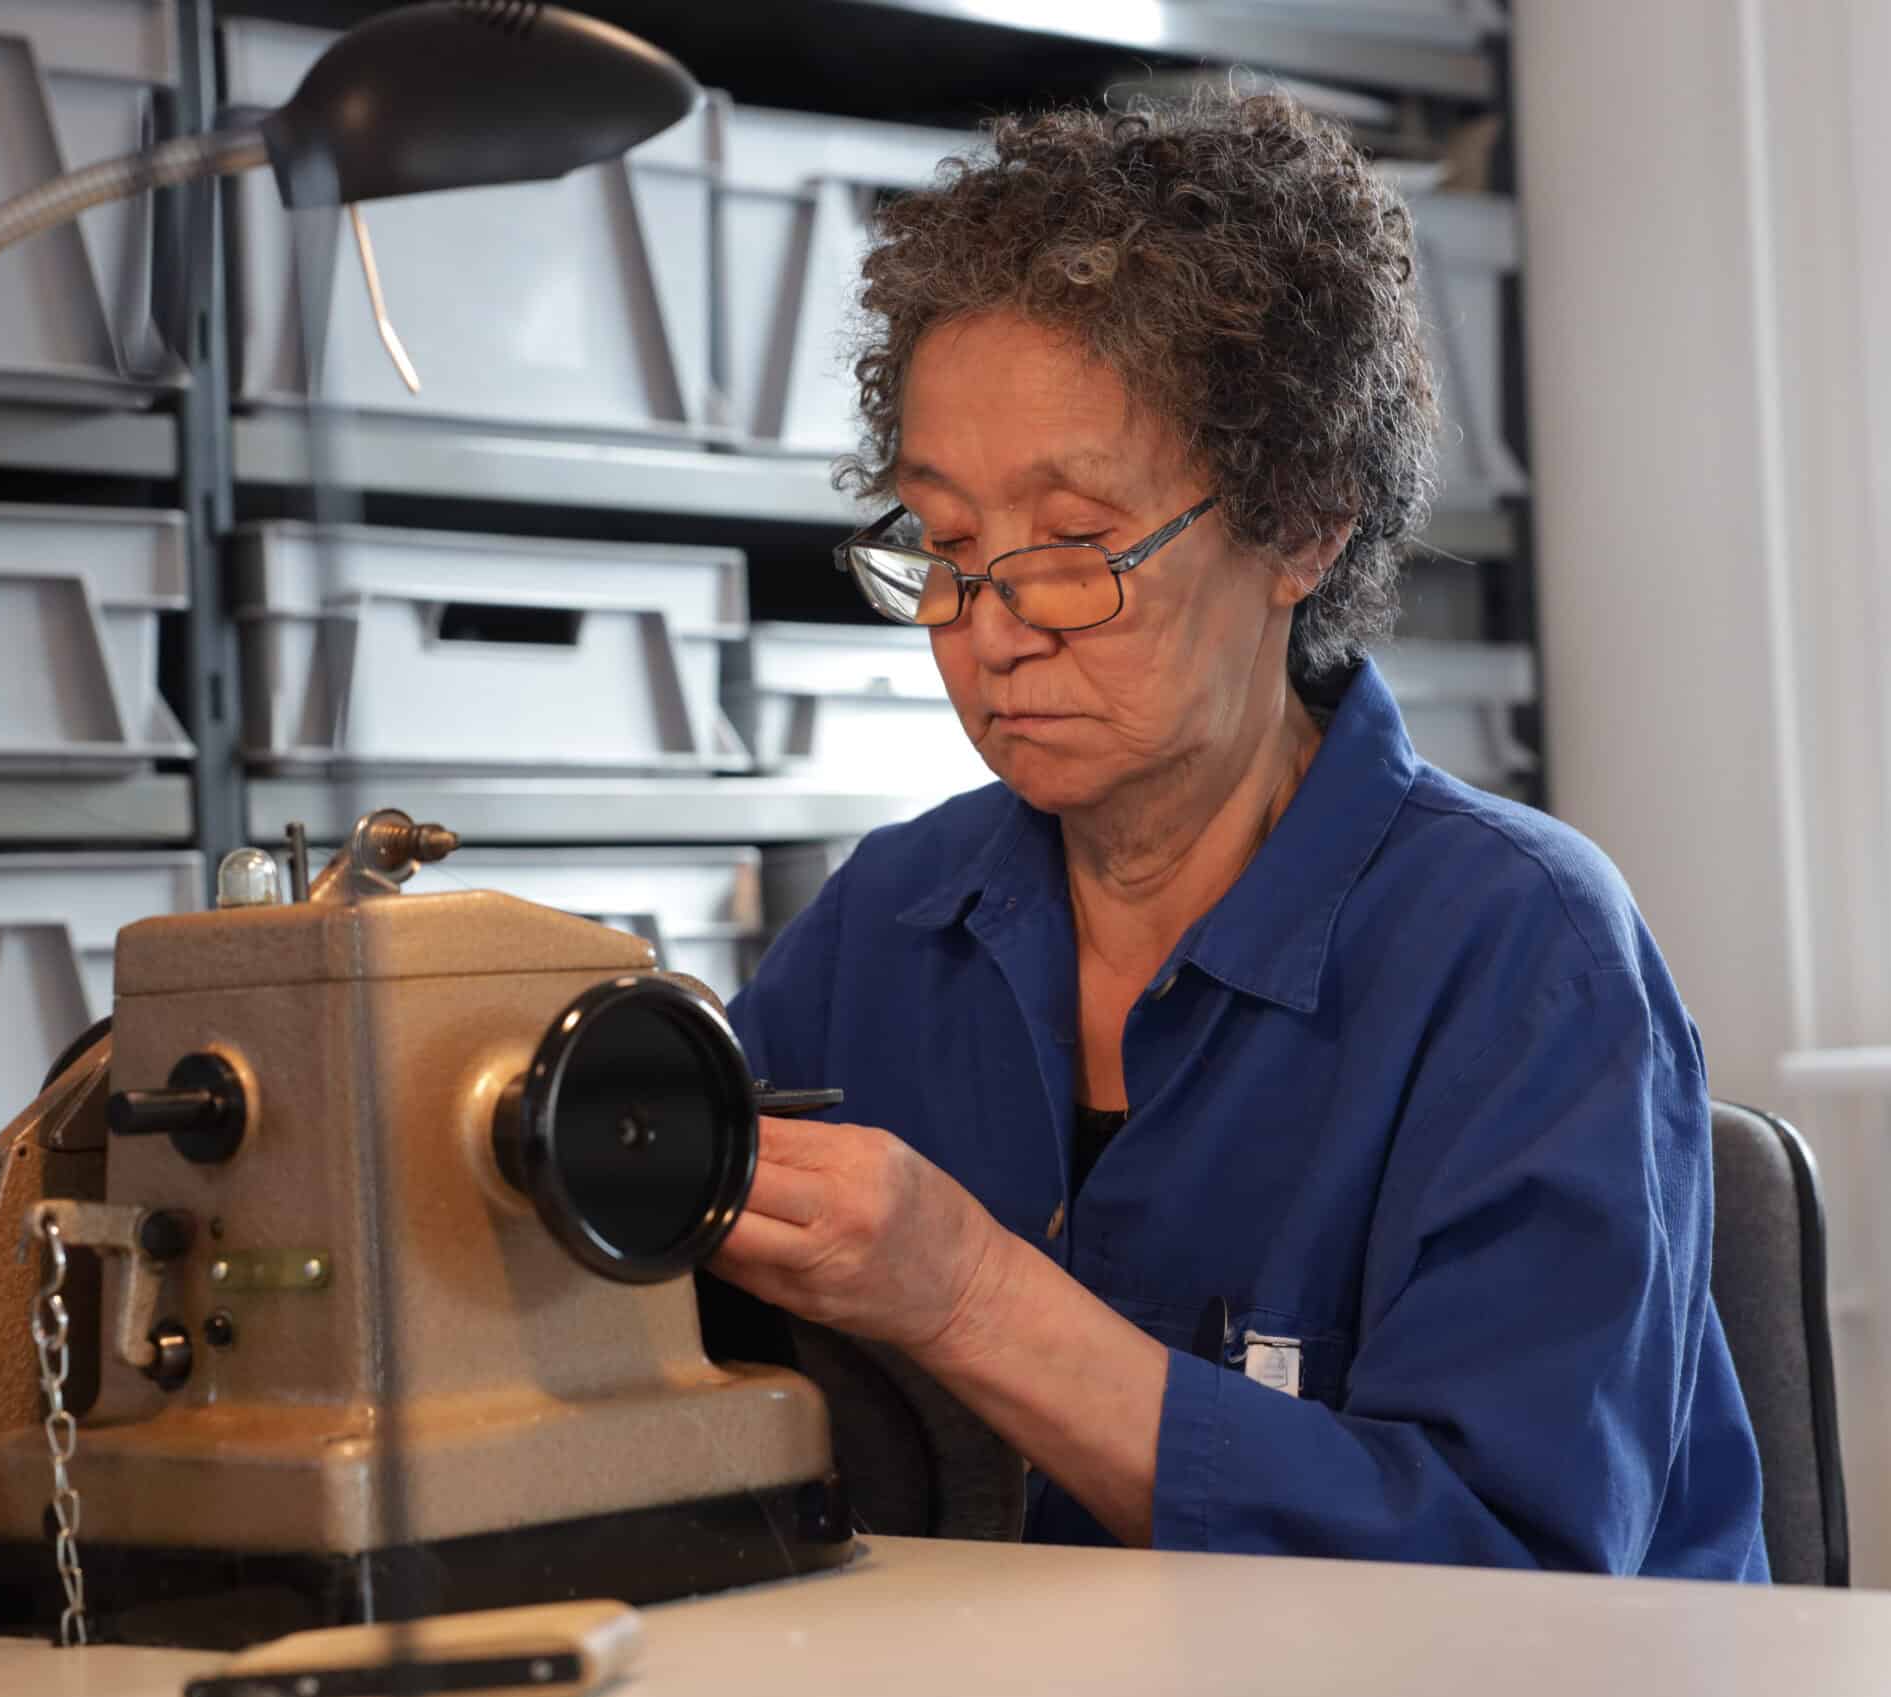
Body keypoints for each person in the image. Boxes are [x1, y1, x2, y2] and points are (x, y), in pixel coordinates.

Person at [711, 91, 1768, 1579]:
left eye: (1074, 549)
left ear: (1303, 523)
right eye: (946, 549)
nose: (992, 631)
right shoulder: (890, 923)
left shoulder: (1518, 952)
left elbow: (1508, 1584)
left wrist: (964, 1296)